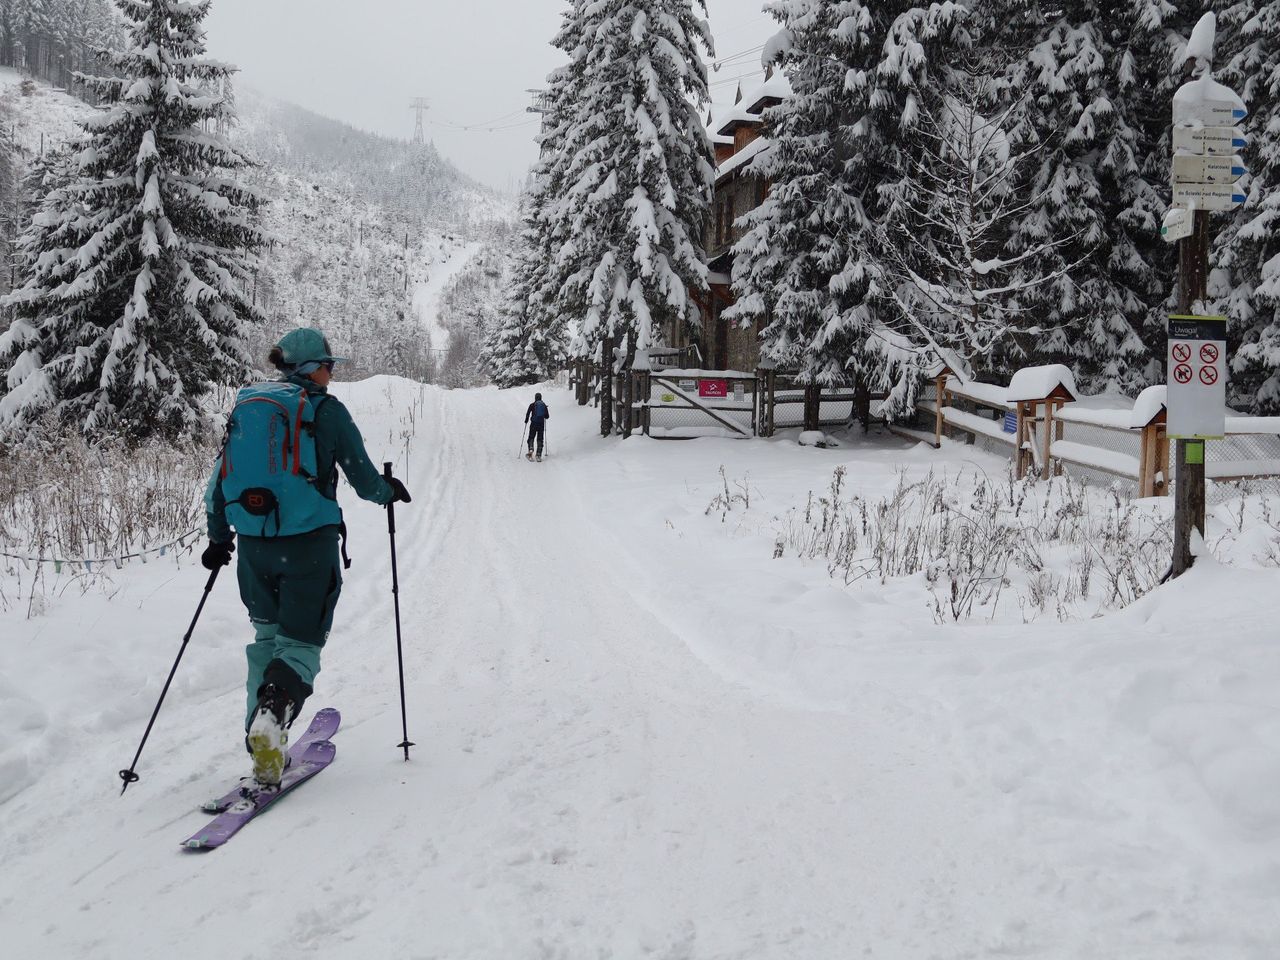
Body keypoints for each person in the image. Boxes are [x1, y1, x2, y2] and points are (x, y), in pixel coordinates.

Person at [200, 328, 411, 786]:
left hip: (253, 548)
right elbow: (362, 477)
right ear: (311, 368)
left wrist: (219, 540)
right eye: (328, 365)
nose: (331, 373)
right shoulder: (326, 411)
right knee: (299, 644)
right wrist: (388, 492)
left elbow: (217, 487)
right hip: (308, 548)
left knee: (267, 639)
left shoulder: (251, 411)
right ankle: (272, 716)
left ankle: (260, 742)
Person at [525, 392, 550, 461]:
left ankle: (530, 450)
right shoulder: (543, 405)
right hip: (541, 424)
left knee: (531, 437)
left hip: (533, 423)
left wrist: (526, 420)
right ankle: (538, 455)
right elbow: (547, 416)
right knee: (540, 439)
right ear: (541, 397)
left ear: (535, 398)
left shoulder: (532, 405)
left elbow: (527, 413)